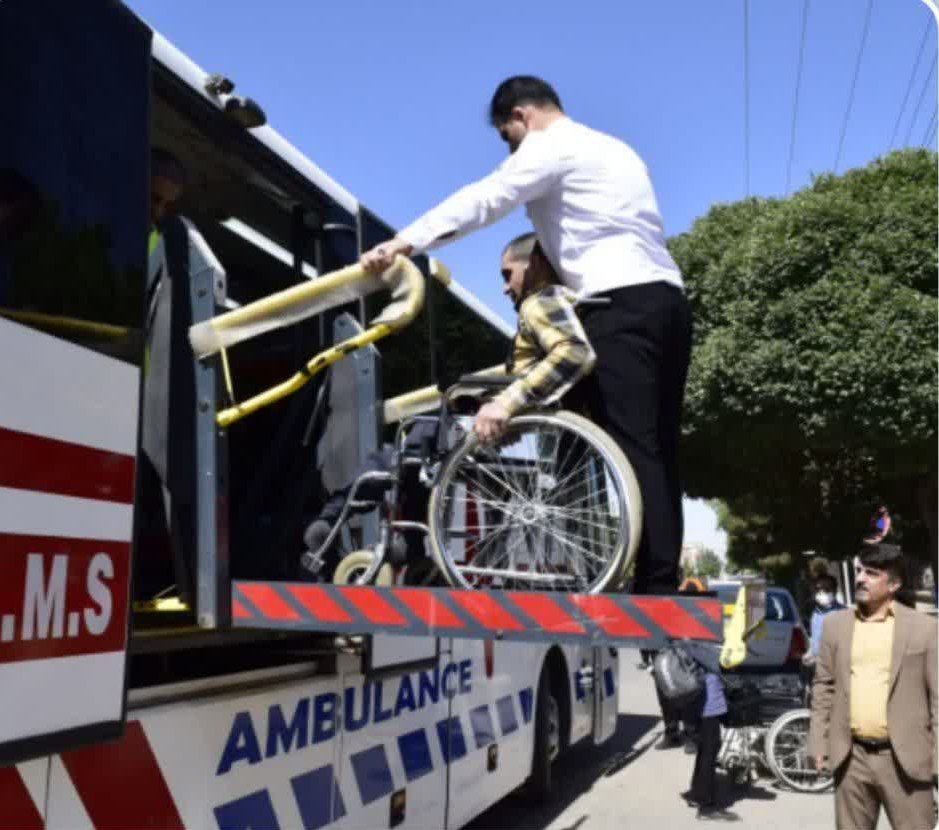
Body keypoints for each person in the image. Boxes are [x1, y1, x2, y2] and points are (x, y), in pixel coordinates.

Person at [360, 75, 692, 598]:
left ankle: (654, 589)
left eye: (506, 137)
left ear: (519, 117)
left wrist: (405, 242)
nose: (510, 149)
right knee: (657, 449)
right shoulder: (616, 150)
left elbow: (485, 199)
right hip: (668, 302)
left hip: (617, 302)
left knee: (627, 446)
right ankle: (655, 576)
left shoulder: (549, 147)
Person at [302, 231, 596, 578]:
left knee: (400, 448)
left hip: (511, 423)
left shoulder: (539, 303)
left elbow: (573, 354)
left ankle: (334, 520)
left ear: (534, 265)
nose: (504, 288)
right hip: (520, 422)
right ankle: (405, 544)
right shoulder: (567, 303)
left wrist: (500, 402)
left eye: (507, 275)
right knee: (416, 454)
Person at [808, 543, 937, 830]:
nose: (860, 579)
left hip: (906, 760)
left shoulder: (924, 629)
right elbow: (823, 687)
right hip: (852, 758)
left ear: (894, 584)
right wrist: (819, 741)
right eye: (859, 571)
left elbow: (938, 699)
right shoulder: (835, 625)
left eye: (871, 573)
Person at [804, 572, 844, 674]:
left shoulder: (843, 613)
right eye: (818, 589)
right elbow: (815, 639)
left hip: (837, 669)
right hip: (818, 668)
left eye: (826, 589)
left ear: (834, 591)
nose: (822, 592)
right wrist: (810, 654)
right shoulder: (815, 614)